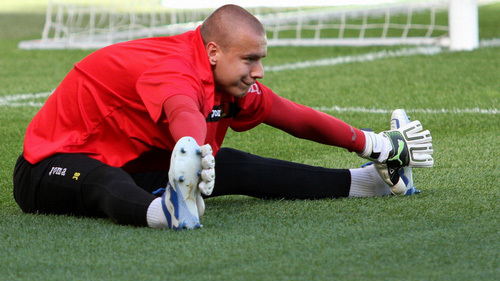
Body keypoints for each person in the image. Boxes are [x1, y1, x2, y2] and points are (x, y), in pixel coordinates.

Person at [13, 5, 433, 230]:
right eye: (250, 59)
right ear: (214, 52)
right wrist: (194, 151)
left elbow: (293, 116)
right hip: (48, 166)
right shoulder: (177, 68)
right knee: (104, 181)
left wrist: (373, 143)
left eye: (261, 59)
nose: (259, 71)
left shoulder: (226, 78)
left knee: (235, 164)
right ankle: (165, 214)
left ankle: (370, 182)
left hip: (133, 159)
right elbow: (182, 109)